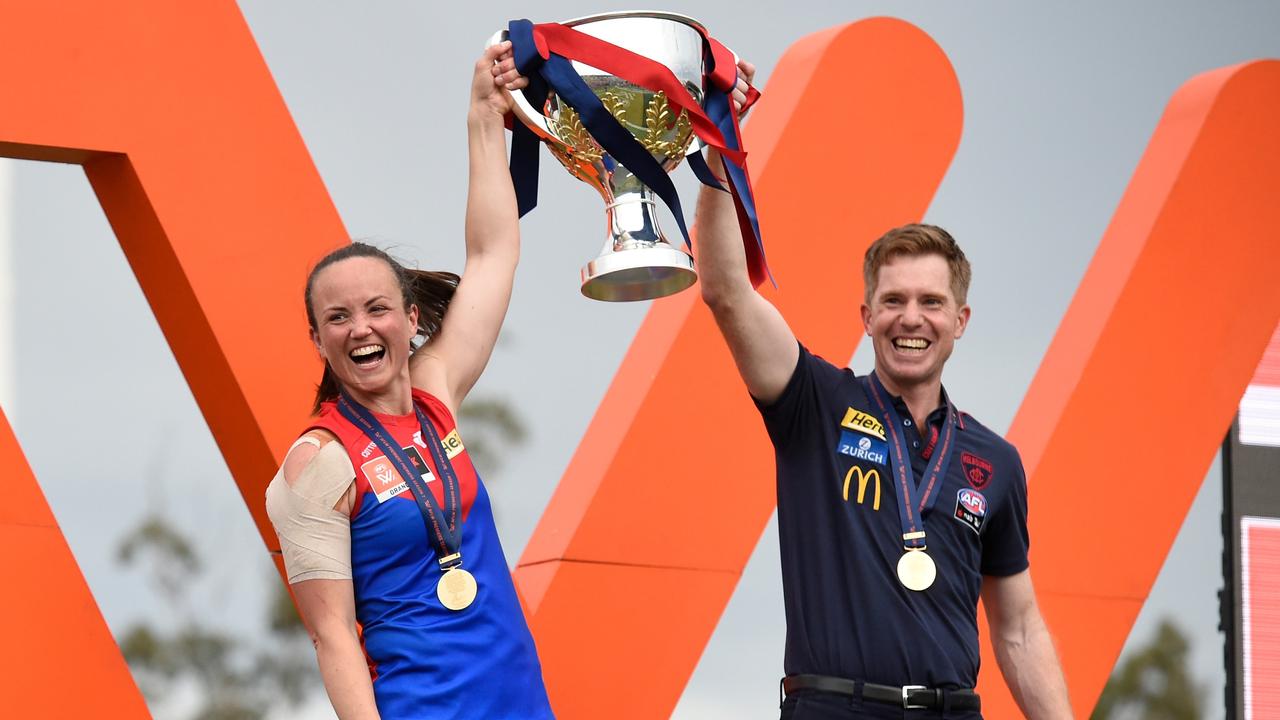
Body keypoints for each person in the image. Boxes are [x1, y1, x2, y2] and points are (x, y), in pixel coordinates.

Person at [694, 62, 1072, 720]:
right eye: (892, 300)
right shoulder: (816, 404)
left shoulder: (995, 462)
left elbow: (1018, 627)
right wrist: (721, 144)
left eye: (931, 301)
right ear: (865, 317)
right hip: (833, 706)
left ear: (960, 321)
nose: (911, 318)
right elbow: (726, 291)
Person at [264, 43, 555, 719]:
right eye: (336, 318)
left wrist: (485, 114)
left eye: (375, 309)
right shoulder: (316, 464)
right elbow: (331, 635)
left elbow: (493, 254)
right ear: (317, 340)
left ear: (410, 319)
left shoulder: (435, 396)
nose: (359, 329)